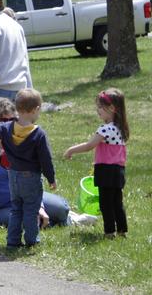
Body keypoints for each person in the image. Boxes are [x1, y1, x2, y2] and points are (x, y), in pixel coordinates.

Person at [0, 98, 88, 232]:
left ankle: (66, 217)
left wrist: (39, 206)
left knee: (62, 208)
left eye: (14, 120)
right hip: (0, 207)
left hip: (28, 196)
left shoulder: (21, 141)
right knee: (32, 221)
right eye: (4, 121)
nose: (10, 125)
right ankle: (68, 221)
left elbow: (33, 176)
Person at [0, 88, 56, 248]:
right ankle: (32, 241)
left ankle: (12, 241)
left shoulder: (6, 128)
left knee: (16, 209)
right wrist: (51, 178)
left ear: (17, 108)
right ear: (36, 109)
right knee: (31, 210)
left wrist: (10, 121)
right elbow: (46, 159)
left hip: (13, 175)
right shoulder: (38, 134)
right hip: (30, 177)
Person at [64, 88, 129, 238]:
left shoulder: (105, 129)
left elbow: (89, 146)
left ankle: (109, 232)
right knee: (117, 203)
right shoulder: (121, 129)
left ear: (112, 108)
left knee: (105, 204)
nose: (97, 110)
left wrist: (71, 150)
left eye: (100, 107)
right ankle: (122, 230)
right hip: (119, 171)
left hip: (106, 171)